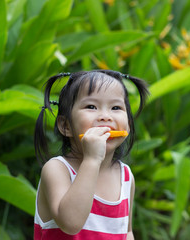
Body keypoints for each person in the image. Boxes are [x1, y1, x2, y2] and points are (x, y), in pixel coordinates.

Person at [33, 70, 149, 239]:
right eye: (91, 107)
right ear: (65, 126)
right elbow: (70, 223)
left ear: (128, 126)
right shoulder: (57, 169)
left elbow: (127, 232)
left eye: (116, 107)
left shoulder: (125, 177)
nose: (105, 117)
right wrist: (92, 160)